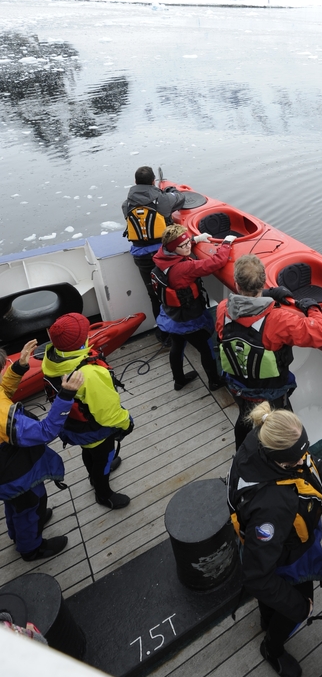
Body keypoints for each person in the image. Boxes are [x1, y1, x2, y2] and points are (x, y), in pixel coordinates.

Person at [227, 402, 322, 677]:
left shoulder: (261, 436)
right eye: (295, 460)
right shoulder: (270, 508)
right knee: (295, 603)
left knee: (273, 603)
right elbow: (257, 576)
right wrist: (298, 607)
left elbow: (302, 459)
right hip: (284, 553)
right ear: (280, 460)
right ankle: (272, 647)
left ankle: (268, 618)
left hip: (282, 541)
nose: (303, 460)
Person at [216, 254, 322, 448]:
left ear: (236, 284)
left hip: (238, 385)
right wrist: (312, 307)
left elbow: (246, 303)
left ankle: (241, 451)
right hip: (271, 392)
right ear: (262, 282)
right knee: (285, 429)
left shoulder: (222, 309)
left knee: (244, 418)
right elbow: (320, 334)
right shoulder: (279, 320)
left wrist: (269, 294)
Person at [0, 338, 84, 560]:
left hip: (5, 472)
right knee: (30, 504)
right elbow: (46, 431)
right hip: (13, 472)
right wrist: (65, 395)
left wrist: (17, 369)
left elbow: (2, 391)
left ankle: (15, 534)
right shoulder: (3, 418)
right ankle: (31, 548)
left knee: (15, 504)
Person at [41, 313, 134, 510]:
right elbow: (107, 412)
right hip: (96, 431)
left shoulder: (50, 362)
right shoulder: (89, 374)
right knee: (103, 458)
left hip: (74, 427)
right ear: (82, 341)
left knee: (89, 452)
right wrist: (126, 422)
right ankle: (103, 494)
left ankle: (93, 477)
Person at [152, 224, 234, 392]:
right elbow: (215, 262)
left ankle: (179, 380)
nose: (188, 246)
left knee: (177, 345)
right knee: (205, 348)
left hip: (171, 315)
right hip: (188, 318)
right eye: (184, 245)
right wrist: (226, 244)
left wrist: (195, 239)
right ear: (175, 248)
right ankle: (214, 381)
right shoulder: (183, 268)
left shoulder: (163, 254)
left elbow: (181, 244)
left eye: (188, 242)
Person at [122, 165, 186, 345]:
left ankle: (163, 335)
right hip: (162, 256)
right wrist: (169, 190)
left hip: (141, 258)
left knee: (154, 295)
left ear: (135, 182)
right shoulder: (162, 200)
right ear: (152, 182)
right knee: (171, 292)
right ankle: (178, 333)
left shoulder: (126, 204)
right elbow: (180, 199)